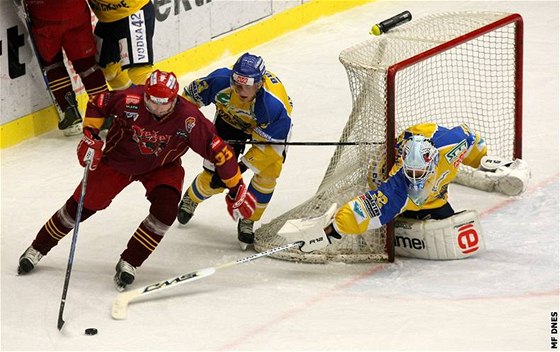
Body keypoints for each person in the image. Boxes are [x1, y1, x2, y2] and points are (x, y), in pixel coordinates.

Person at [17, 70, 256, 291]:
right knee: (79, 207)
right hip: (118, 163)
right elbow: (98, 103)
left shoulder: (189, 118)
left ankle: (130, 261)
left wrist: (236, 188)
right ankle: (38, 247)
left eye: (165, 103)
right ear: (145, 94)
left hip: (162, 166)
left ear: (175, 99)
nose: (158, 108)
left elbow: (220, 152)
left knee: (165, 211)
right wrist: (91, 136)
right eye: (152, 101)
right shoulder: (130, 98)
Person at [280, 122, 531, 260]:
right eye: (411, 172)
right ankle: (397, 220)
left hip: (434, 193)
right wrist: (332, 231)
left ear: (432, 162)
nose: (415, 178)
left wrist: (488, 162)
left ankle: (421, 211)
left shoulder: (451, 146)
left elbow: (471, 140)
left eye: (420, 173)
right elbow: (362, 209)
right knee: (385, 219)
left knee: (447, 226)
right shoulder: (398, 186)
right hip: (384, 180)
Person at [177, 52, 293, 250]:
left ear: (259, 84)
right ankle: (192, 197)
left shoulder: (274, 106)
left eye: (247, 86)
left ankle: (248, 219)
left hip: (265, 132)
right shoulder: (219, 80)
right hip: (229, 122)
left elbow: (272, 147)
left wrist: (239, 167)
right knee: (215, 179)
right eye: (237, 84)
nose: (240, 91)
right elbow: (187, 102)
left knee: (268, 173)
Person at [20, 0, 109, 136]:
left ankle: (70, 112)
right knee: (87, 65)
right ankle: (105, 112)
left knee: (53, 63)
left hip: (44, 14)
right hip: (75, 11)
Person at [88, 0, 156, 91]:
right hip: (106, 18)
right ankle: (127, 101)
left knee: (139, 73)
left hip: (132, 12)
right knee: (108, 70)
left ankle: (163, 102)